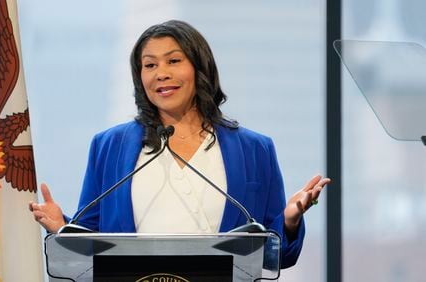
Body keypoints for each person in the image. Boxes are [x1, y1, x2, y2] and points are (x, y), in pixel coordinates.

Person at [29, 20, 330, 268]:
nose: (161, 73)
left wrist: (288, 222)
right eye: (150, 65)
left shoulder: (254, 150)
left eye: (173, 61)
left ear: (200, 68)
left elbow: (277, 255)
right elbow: (92, 240)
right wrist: (62, 227)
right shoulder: (110, 146)